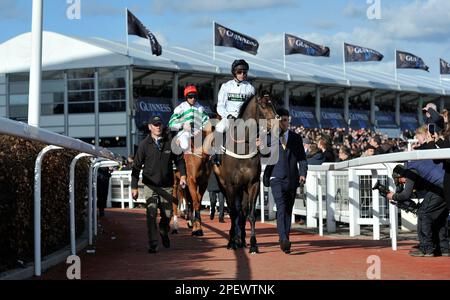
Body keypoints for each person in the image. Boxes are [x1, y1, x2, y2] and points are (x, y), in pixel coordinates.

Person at [131, 116, 187, 253]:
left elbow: (180, 160)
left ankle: (163, 229)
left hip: (167, 184)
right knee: (151, 213)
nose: (158, 127)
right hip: (150, 185)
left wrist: (183, 176)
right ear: (150, 127)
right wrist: (134, 187)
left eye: (159, 124)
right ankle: (153, 243)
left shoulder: (171, 142)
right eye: (155, 125)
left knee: (167, 214)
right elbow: (136, 167)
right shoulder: (144, 144)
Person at [263, 108, 308, 254]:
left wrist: (303, 174)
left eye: (285, 120)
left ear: (288, 121)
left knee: (288, 210)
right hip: (276, 177)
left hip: (292, 178)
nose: (283, 123)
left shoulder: (296, 138)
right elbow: (263, 154)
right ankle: (283, 238)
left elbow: (302, 158)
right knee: (281, 208)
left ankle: (285, 237)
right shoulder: (269, 137)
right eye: (280, 120)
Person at [387, 164, 449, 257]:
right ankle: (443, 248)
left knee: (423, 214)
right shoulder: (420, 171)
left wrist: (393, 196)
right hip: (446, 186)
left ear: (401, 175)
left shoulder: (410, 172)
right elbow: (420, 193)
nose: (404, 183)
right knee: (440, 217)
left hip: (439, 188)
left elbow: (405, 195)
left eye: (401, 181)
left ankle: (426, 248)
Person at [212, 59, 255, 165]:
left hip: (244, 119)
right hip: (229, 117)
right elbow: (220, 106)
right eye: (240, 72)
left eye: (245, 72)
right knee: (219, 127)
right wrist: (228, 115)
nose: (242, 74)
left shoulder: (250, 88)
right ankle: (217, 155)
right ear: (234, 73)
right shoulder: (226, 86)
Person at [169, 85, 209, 151]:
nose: (193, 99)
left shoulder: (200, 108)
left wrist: (200, 129)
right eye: (190, 97)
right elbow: (171, 122)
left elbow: (207, 120)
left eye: (195, 96)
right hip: (184, 133)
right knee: (185, 145)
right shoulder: (181, 107)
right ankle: (176, 159)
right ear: (186, 97)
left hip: (198, 133)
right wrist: (183, 125)